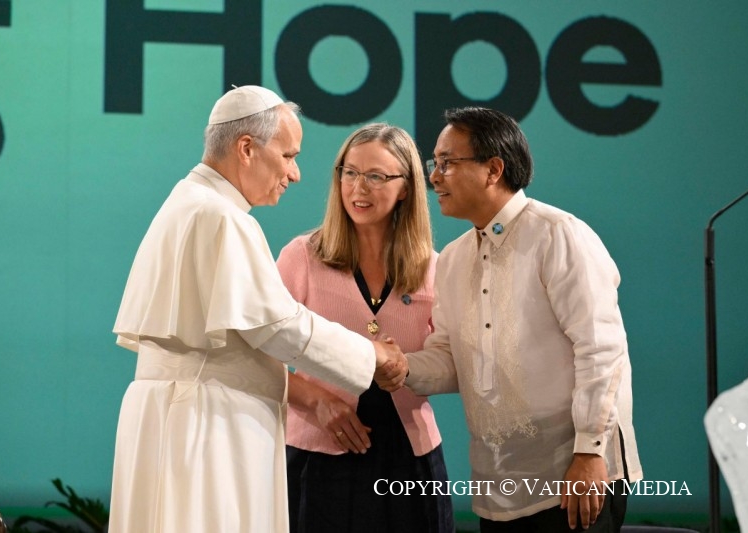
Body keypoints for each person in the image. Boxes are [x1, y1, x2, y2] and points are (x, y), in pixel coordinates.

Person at [108, 86, 406, 533]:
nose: (295, 173)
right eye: (288, 156)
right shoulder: (222, 217)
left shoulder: (186, 202)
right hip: (208, 423)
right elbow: (278, 327)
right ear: (247, 148)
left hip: (175, 415)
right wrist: (372, 355)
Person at [404, 107, 643, 532]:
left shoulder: (559, 234)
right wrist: (394, 366)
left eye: (447, 163)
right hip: (497, 488)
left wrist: (590, 452)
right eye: (433, 164)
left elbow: (602, 350)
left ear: (493, 170)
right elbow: (449, 360)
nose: (434, 177)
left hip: (574, 478)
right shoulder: (453, 259)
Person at [275, 123, 455, 532]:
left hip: (410, 462)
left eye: (376, 176)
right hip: (317, 457)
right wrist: (316, 401)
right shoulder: (301, 257)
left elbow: (452, 362)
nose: (359, 187)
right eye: (350, 172)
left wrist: (406, 368)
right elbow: (253, 355)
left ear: (406, 187)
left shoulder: (436, 269)